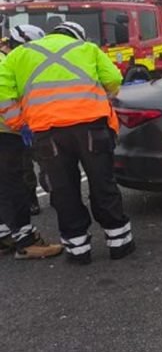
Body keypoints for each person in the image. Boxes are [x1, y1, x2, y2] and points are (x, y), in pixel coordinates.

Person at [0, 21, 134, 264]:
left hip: (48, 132)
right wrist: (102, 98)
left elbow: (3, 90)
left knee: (63, 189)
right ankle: (119, 243)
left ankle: (78, 249)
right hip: (91, 127)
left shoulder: (18, 55)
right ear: (76, 35)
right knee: (102, 181)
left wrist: (20, 122)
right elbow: (113, 79)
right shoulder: (88, 49)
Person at [0, 24, 63, 259]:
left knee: (4, 187)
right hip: (5, 133)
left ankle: (5, 237)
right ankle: (26, 242)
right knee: (13, 186)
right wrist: (20, 123)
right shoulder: (7, 61)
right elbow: (3, 96)